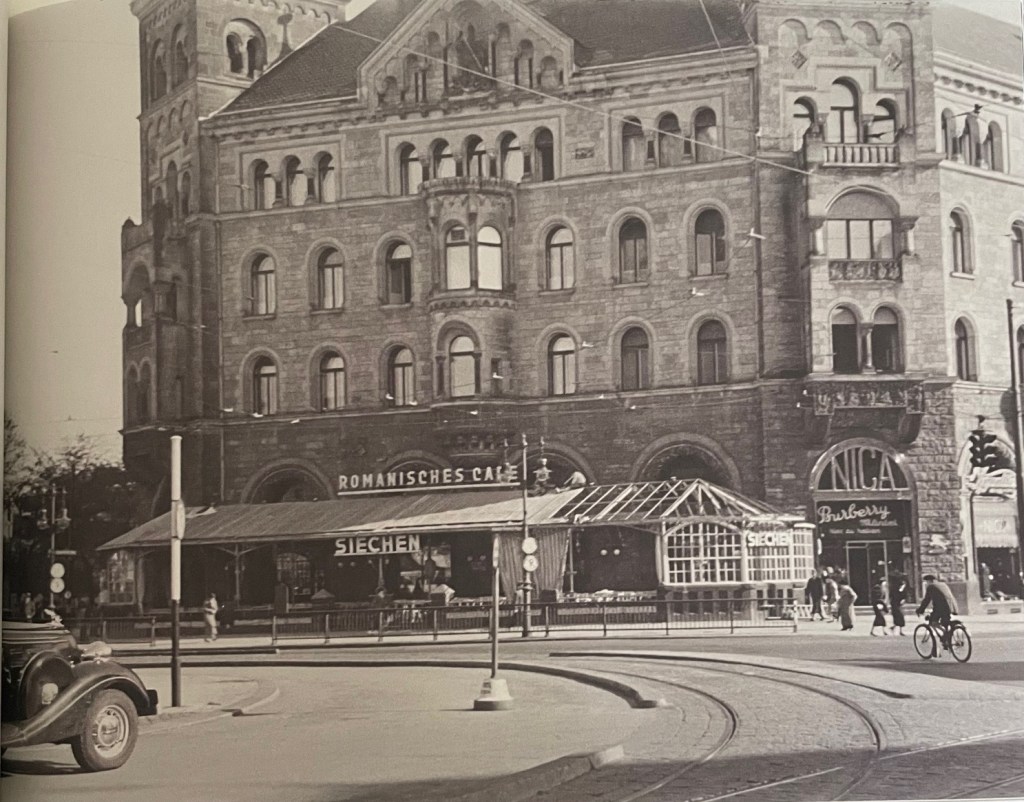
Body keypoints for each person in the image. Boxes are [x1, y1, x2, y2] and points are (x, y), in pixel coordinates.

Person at [916, 574, 958, 647]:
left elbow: (926, 600)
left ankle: (946, 635)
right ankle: (947, 638)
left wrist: (920, 610)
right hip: (952, 606)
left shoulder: (931, 587)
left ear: (929, 581)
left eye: (927, 581)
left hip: (942, 607)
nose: (927, 583)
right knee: (945, 622)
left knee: (933, 622)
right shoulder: (943, 584)